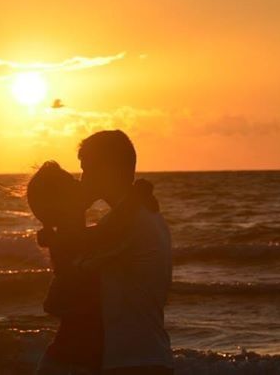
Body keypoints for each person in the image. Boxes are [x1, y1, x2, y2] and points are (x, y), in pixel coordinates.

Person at [76, 130, 174, 375]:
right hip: (146, 357)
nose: (82, 178)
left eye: (88, 169)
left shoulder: (128, 222)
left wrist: (73, 209)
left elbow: (75, 260)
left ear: (109, 170)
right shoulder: (141, 214)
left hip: (135, 362)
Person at [27, 161, 103, 375]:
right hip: (71, 360)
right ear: (65, 200)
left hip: (66, 356)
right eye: (73, 182)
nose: (80, 183)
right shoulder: (72, 239)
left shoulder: (67, 235)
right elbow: (110, 230)